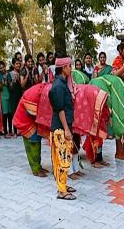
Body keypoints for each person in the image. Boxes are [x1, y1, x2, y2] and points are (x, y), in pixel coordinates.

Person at [49, 56, 76, 200]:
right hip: (60, 128)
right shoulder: (58, 86)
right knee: (63, 158)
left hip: (62, 127)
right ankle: (61, 191)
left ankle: (63, 184)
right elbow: (60, 110)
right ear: (63, 68)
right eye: (69, 66)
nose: (70, 69)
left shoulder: (61, 83)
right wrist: (66, 129)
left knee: (64, 157)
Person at [0, 61, 13, 138]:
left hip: (9, 95)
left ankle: (10, 130)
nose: (2, 69)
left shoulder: (9, 74)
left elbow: (11, 86)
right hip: (3, 96)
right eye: (0, 68)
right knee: (5, 114)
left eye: (3, 67)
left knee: (10, 114)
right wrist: (3, 81)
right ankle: (5, 132)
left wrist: (10, 83)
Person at [9, 57, 23, 135]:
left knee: (20, 112)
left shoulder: (21, 72)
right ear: (13, 65)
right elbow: (10, 87)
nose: (18, 65)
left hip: (19, 95)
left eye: (19, 63)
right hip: (13, 96)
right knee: (14, 113)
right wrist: (14, 80)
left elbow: (22, 86)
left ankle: (20, 130)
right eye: (16, 63)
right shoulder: (10, 74)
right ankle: (15, 131)